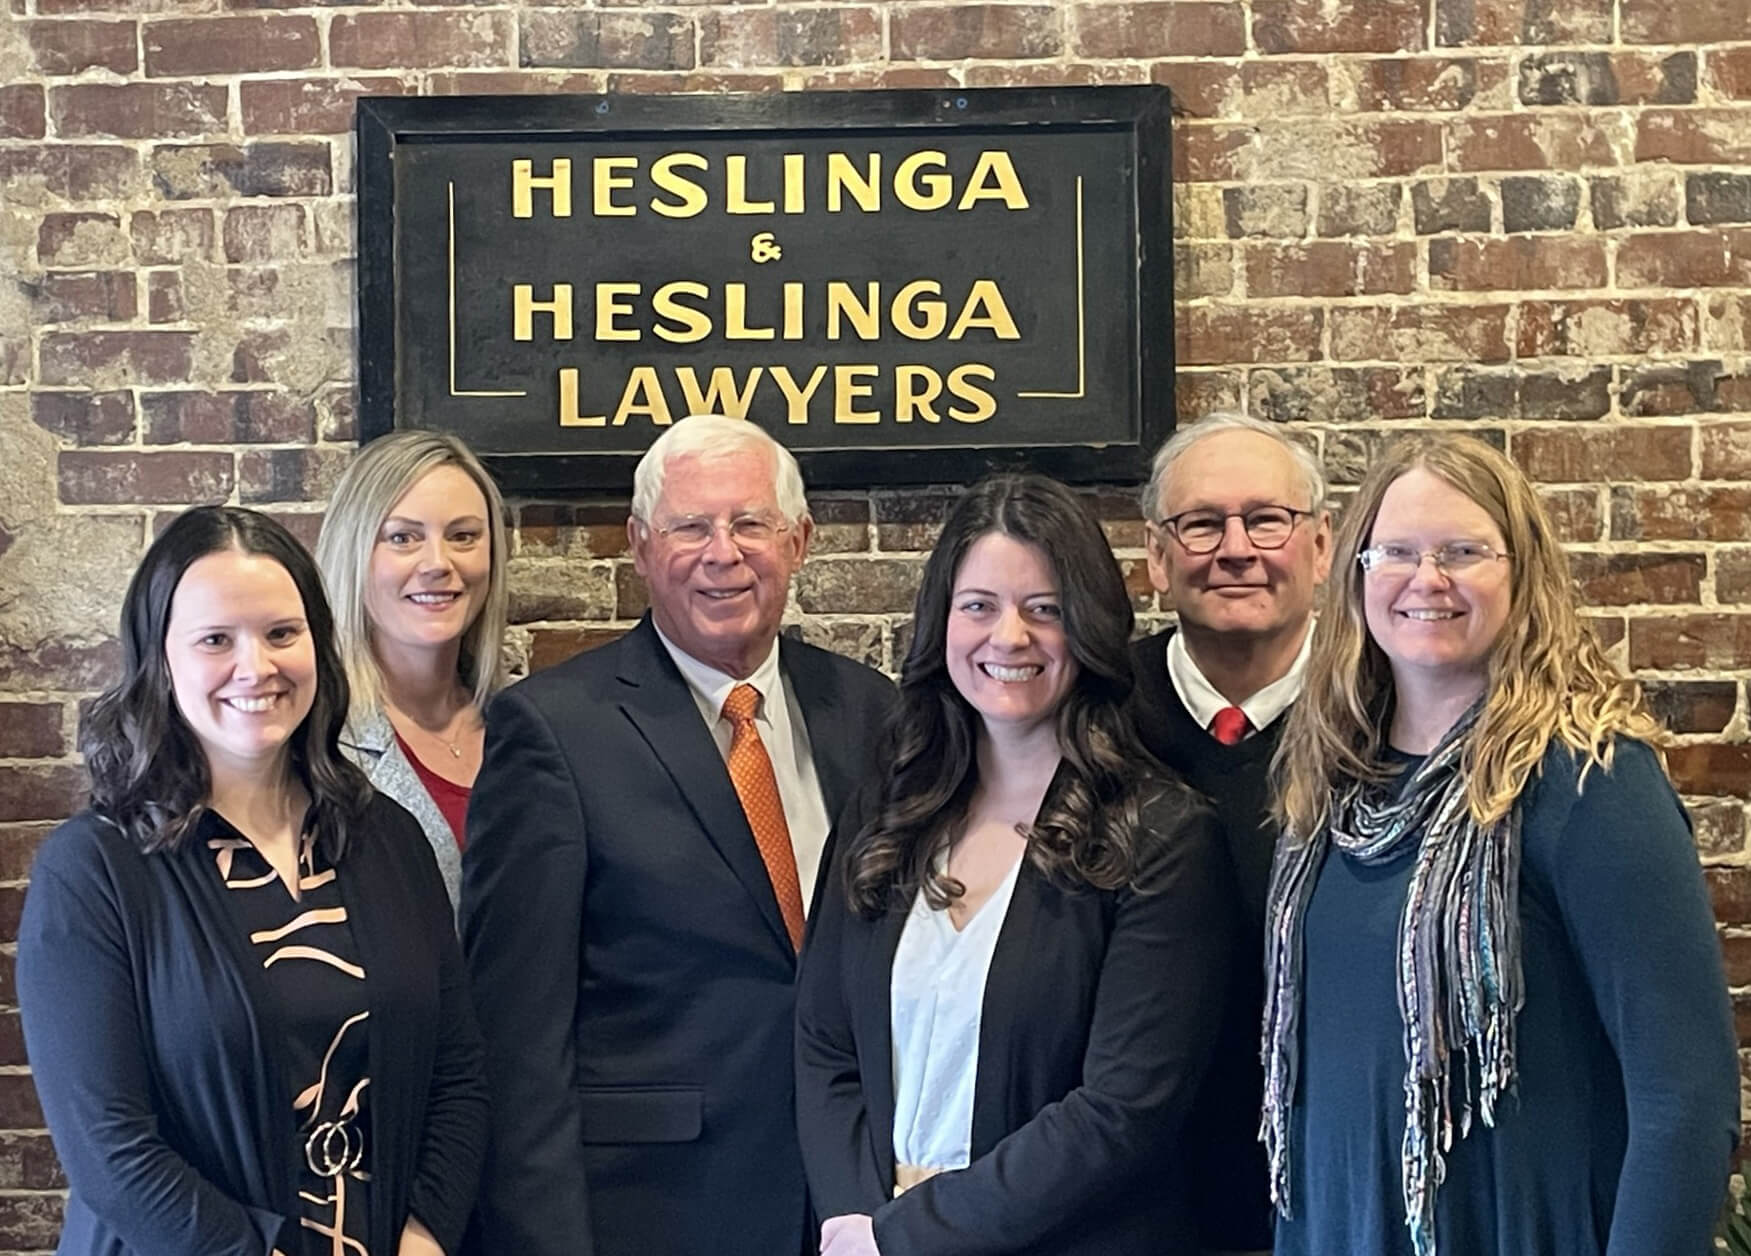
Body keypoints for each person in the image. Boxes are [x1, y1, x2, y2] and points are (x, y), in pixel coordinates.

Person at [1263, 434, 1739, 1256]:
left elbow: (1686, 1095)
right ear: (1356, 575)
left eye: (1462, 552)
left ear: (1523, 573)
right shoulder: (1332, 783)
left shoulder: (1588, 781)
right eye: (1396, 553)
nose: (1427, 579)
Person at [462, 414, 896, 1256]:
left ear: (799, 542)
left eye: (751, 524)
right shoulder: (551, 732)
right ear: (638, 545)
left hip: (854, 1197)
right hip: (652, 1210)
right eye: (689, 526)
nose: (721, 552)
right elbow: (517, 1042)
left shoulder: (875, 713)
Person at [18, 505, 487, 1256]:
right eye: (215, 640)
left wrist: (424, 1233)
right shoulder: (94, 870)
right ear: (159, 660)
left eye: (280, 633)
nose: (256, 667)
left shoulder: (387, 838)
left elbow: (458, 1073)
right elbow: (111, 1151)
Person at [796, 473, 1235, 1256]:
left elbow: (1120, 1109)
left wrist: (908, 1235)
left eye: (1045, 610)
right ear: (942, 623)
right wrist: (852, 1220)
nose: (1009, 637)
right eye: (979, 606)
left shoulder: (1161, 835)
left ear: (1090, 629)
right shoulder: (886, 812)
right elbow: (825, 1044)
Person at [1130, 412, 1332, 1254]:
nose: (1236, 548)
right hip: (1137, 1192)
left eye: (1267, 520)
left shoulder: (1391, 715)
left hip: (1335, 1187)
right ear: (1156, 556)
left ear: (1320, 547)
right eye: (1202, 523)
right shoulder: (1092, 716)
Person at [316, 429, 510, 909]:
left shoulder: (528, 723)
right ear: (356, 553)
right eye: (403, 538)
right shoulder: (314, 743)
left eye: (463, 536)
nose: (438, 563)